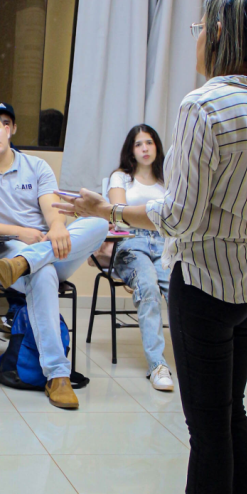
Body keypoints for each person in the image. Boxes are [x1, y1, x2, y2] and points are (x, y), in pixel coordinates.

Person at [57, 0, 247, 494]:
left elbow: (182, 216)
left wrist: (112, 209)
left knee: (208, 430)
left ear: (218, 35)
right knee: (231, 414)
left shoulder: (204, 106)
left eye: (199, 26)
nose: (195, 36)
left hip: (207, 285)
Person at [0, 108, 107, 409]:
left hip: (44, 250)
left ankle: (30, 261)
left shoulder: (36, 165)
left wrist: (59, 226)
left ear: (8, 130)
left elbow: (53, 211)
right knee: (44, 273)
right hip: (3, 257)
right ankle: (58, 377)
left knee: (100, 223)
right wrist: (20, 232)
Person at [99, 124, 174, 392]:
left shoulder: (169, 179)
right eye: (139, 144)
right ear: (131, 150)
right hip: (132, 242)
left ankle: (195, 362)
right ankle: (157, 365)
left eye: (150, 143)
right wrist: (151, 215)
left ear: (157, 147)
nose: (145, 148)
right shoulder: (121, 178)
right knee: (149, 288)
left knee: (181, 293)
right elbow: (118, 213)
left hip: (166, 244)